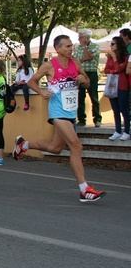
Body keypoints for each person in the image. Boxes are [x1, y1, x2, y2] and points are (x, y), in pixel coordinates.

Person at [13, 35, 106, 203]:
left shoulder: (76, 63)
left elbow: (87, 82)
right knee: (76, 145)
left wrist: (82, 79)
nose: (71, 49)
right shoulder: (49, 65)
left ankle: (23, 144)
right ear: (58, 49)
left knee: (55, 148)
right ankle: (84, 190)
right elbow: (31, 82)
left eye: (71, 46)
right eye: (67, 46)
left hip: (71, 112)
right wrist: (42, 92)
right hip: (57, 112)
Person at [103, 37, 130, 140]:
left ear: (119, 44)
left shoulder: (126, 57)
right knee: (115, 110)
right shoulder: (109, 57)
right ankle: (117, 130)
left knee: (124, 109)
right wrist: (114, 70)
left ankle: (127, 131)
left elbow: (120, 68)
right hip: (111, 85)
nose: (111, 46)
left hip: (122, 85)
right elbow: (106, 70)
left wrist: (114, 58)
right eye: (111, 44)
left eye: (113, 44)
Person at [74, 29, 101, 127]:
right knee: (80, 97)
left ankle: (97, 119)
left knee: (94, 96)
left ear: (86, 38)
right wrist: (83, 59)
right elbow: (76, 60)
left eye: (80, 37)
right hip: (81, 73)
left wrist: (85, 47)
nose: (79, 39)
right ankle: (81, 119)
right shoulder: (77, 48)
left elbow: (89, 57)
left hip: (92, 73)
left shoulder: (95, 46)